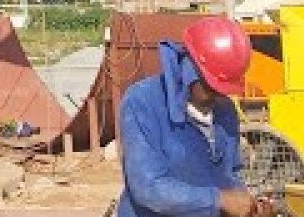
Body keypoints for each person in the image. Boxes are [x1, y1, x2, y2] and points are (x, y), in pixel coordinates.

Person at [115, 16, 273, 217]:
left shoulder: (225, 110)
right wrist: (219, 200)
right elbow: (148, 189)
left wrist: (249, 207)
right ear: (191, 70)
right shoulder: (143, 102)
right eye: (211, 87)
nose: (218, 95)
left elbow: (230, 175)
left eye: (223, 90)